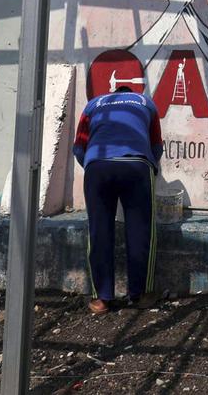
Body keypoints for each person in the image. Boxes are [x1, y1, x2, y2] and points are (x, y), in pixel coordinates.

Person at [73, 81, 164, 314]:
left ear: (111, 93)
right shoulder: (146, 103)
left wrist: (94, 167)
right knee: (140, 230)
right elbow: (156, 146)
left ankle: (101, 299)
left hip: (98, 166)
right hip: (136, 165)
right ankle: (141, 294)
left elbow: (79, 147)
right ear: (132, 94)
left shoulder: (93, 104)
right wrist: (149, 166)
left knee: (99, 231)